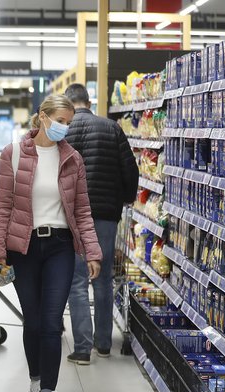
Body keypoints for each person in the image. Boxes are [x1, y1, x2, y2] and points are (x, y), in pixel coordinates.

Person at [0, 95, 102, 392]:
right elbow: (1, 208)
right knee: (34, 321)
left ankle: (49, 391)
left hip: (60, 247)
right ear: (42, 117)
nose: (64, 127)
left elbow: (82, 210)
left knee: (52, 321)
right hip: (23, 248)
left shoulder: (73, 159)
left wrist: (92, 251)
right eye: (60, 120)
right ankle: (35, 378)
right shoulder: (12, 155)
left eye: (69, 122)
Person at [64, 83, 139, 365]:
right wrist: (126, 199)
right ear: (88, 101)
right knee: (104, 277)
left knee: (78, 279)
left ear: (69, 105)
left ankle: (82, 349)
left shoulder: (66, 128)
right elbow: (130, 170)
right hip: (107, 215)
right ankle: (104, 344)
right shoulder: (112, 128)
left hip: (73, 215)